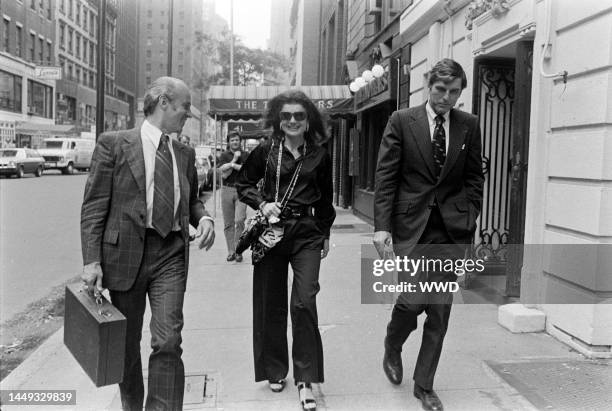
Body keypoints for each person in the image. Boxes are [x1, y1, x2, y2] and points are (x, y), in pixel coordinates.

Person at [80, 76, 215, 411]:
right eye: (185, 107)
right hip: (125, 255)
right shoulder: (113, 144)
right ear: (163, 102)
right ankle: (131, 406)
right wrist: (91, 261)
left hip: (170, 253)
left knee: (168, 339)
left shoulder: (183, 153)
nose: (188, 115)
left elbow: (192, 200)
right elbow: (95, 205)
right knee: (126, 345)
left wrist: (205, 218)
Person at [373, 59, 484, 411]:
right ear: (427, 85)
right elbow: (386, 177)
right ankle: (393, 343)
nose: (446, 98)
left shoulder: (469, 125)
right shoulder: (402, 121)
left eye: (454, 92)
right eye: (440, 90)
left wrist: (470, 213)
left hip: (451, 229)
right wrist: (381, 227)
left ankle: (425, 386)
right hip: (412, 228)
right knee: (412, 301)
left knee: (438, 311)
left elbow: (473, 177)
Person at [236, 90, 335, 411]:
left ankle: (306, 379)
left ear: (309, 121)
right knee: (270, 302)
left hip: (307, 232)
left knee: (304, 301)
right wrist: (263, 203)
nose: (292, 121)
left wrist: (325, 233)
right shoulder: (266, 151)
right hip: (271, 232)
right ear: (278, 120)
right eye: (286, 116)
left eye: (299, 116)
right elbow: (243, 184)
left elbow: (325, 199)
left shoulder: (320, 154)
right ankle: (275, 370)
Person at [217, 130, 249, 262]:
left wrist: (231, 165)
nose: (235, 142)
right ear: (228, 142)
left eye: (237, 139)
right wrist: (235, 160)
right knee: (228, 223)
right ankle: (231, 251)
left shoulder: (246, 154)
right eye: (232, 140)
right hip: (227, 189)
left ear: (240, 141)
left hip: (242, 190)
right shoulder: (224, 155)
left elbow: (246, 170)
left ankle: (238, 249)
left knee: (240, 220)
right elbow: (222, 173)